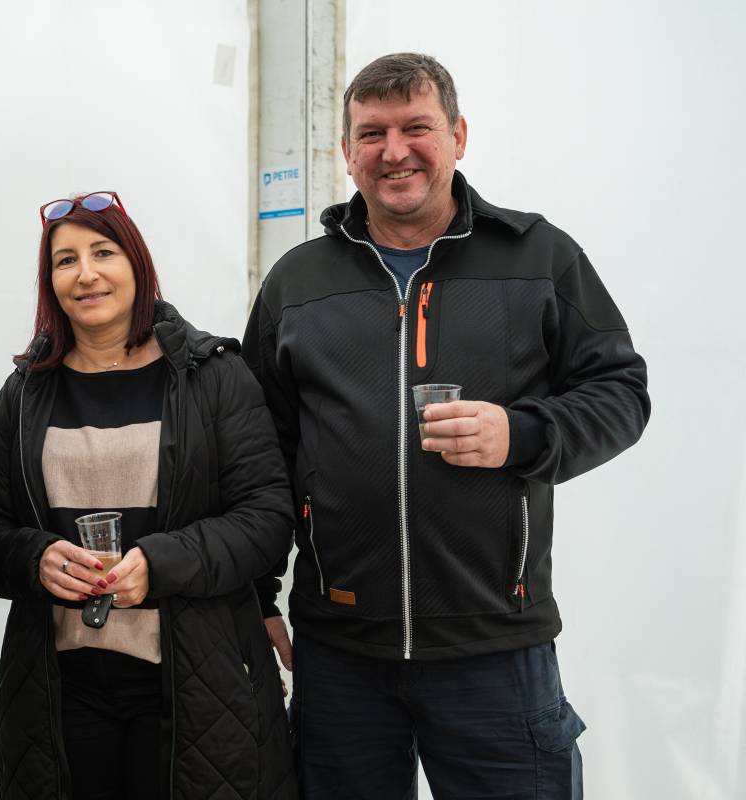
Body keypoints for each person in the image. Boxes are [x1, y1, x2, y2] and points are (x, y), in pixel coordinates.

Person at [243, 53, 650, 799]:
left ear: (458, 136)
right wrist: (256, 596)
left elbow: (621, 393)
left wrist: (521, 433)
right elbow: (261, 456)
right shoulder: (297, 283)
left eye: (416, 128)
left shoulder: (540, 257)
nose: (393, 151)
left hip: (494, 650)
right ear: (347, 152)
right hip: (340, 655)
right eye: (372, 134)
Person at [0, 191, 297, 799]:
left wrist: (162, 563)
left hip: (192, 683)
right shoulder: (27, 390)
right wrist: (35, 557)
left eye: (103, 252)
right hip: (58, 687)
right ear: (50, 282)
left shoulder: (212, 375)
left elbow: (266, 517)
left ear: (136, 264)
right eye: (65, 261)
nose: (85, 274)